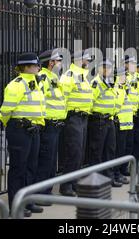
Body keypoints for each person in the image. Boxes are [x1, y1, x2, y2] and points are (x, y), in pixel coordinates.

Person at [0, 53, 46, 216]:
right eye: (35, 65)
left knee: (31, 168)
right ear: (25, 67)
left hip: (34, 130)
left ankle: (28, 201)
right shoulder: (16, 85)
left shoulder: (36, 83)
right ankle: (16, 206)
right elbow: (5, 110)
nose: (38, 68)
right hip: (19, 130)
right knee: (18, 168)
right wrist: (11, 125)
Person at [58, 51, 93, 197]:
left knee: (79, 154)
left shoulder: (83, 75)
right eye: (87, 59)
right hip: (73, 117)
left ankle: (74, 183)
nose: (88, 61)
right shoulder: (70, 75)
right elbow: (63, 98)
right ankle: (66, 185)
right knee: (73, 152)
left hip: (83, 118)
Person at [35, 50, 66, 201]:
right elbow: (40, 99)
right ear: (50, 62)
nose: (60, 63)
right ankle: (41, 193)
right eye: (57, 60)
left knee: (52, 160)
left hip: (56, 124)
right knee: (46, 160)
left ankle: (47, 191)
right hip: (48, 124)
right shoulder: (43, 77)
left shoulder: (54, 77)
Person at [88, 60, 121, 187]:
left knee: (110, 150)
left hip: (110, 120)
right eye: (105, 67)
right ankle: (96, 180)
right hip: (99, 120)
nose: (108, 70)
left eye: (110, 67)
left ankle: (109, 178)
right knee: (97, 152)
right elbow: (90, 102)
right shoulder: (96, 83)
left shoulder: (110, 82)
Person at [113, 67, 133, 185]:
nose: (125, 77)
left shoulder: (125, 88)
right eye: (123, 75)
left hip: (127, 123)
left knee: (126, 149)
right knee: (118, 151)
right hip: (120, 123)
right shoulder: (117, 88)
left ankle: (121, 171)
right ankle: (116, 173)